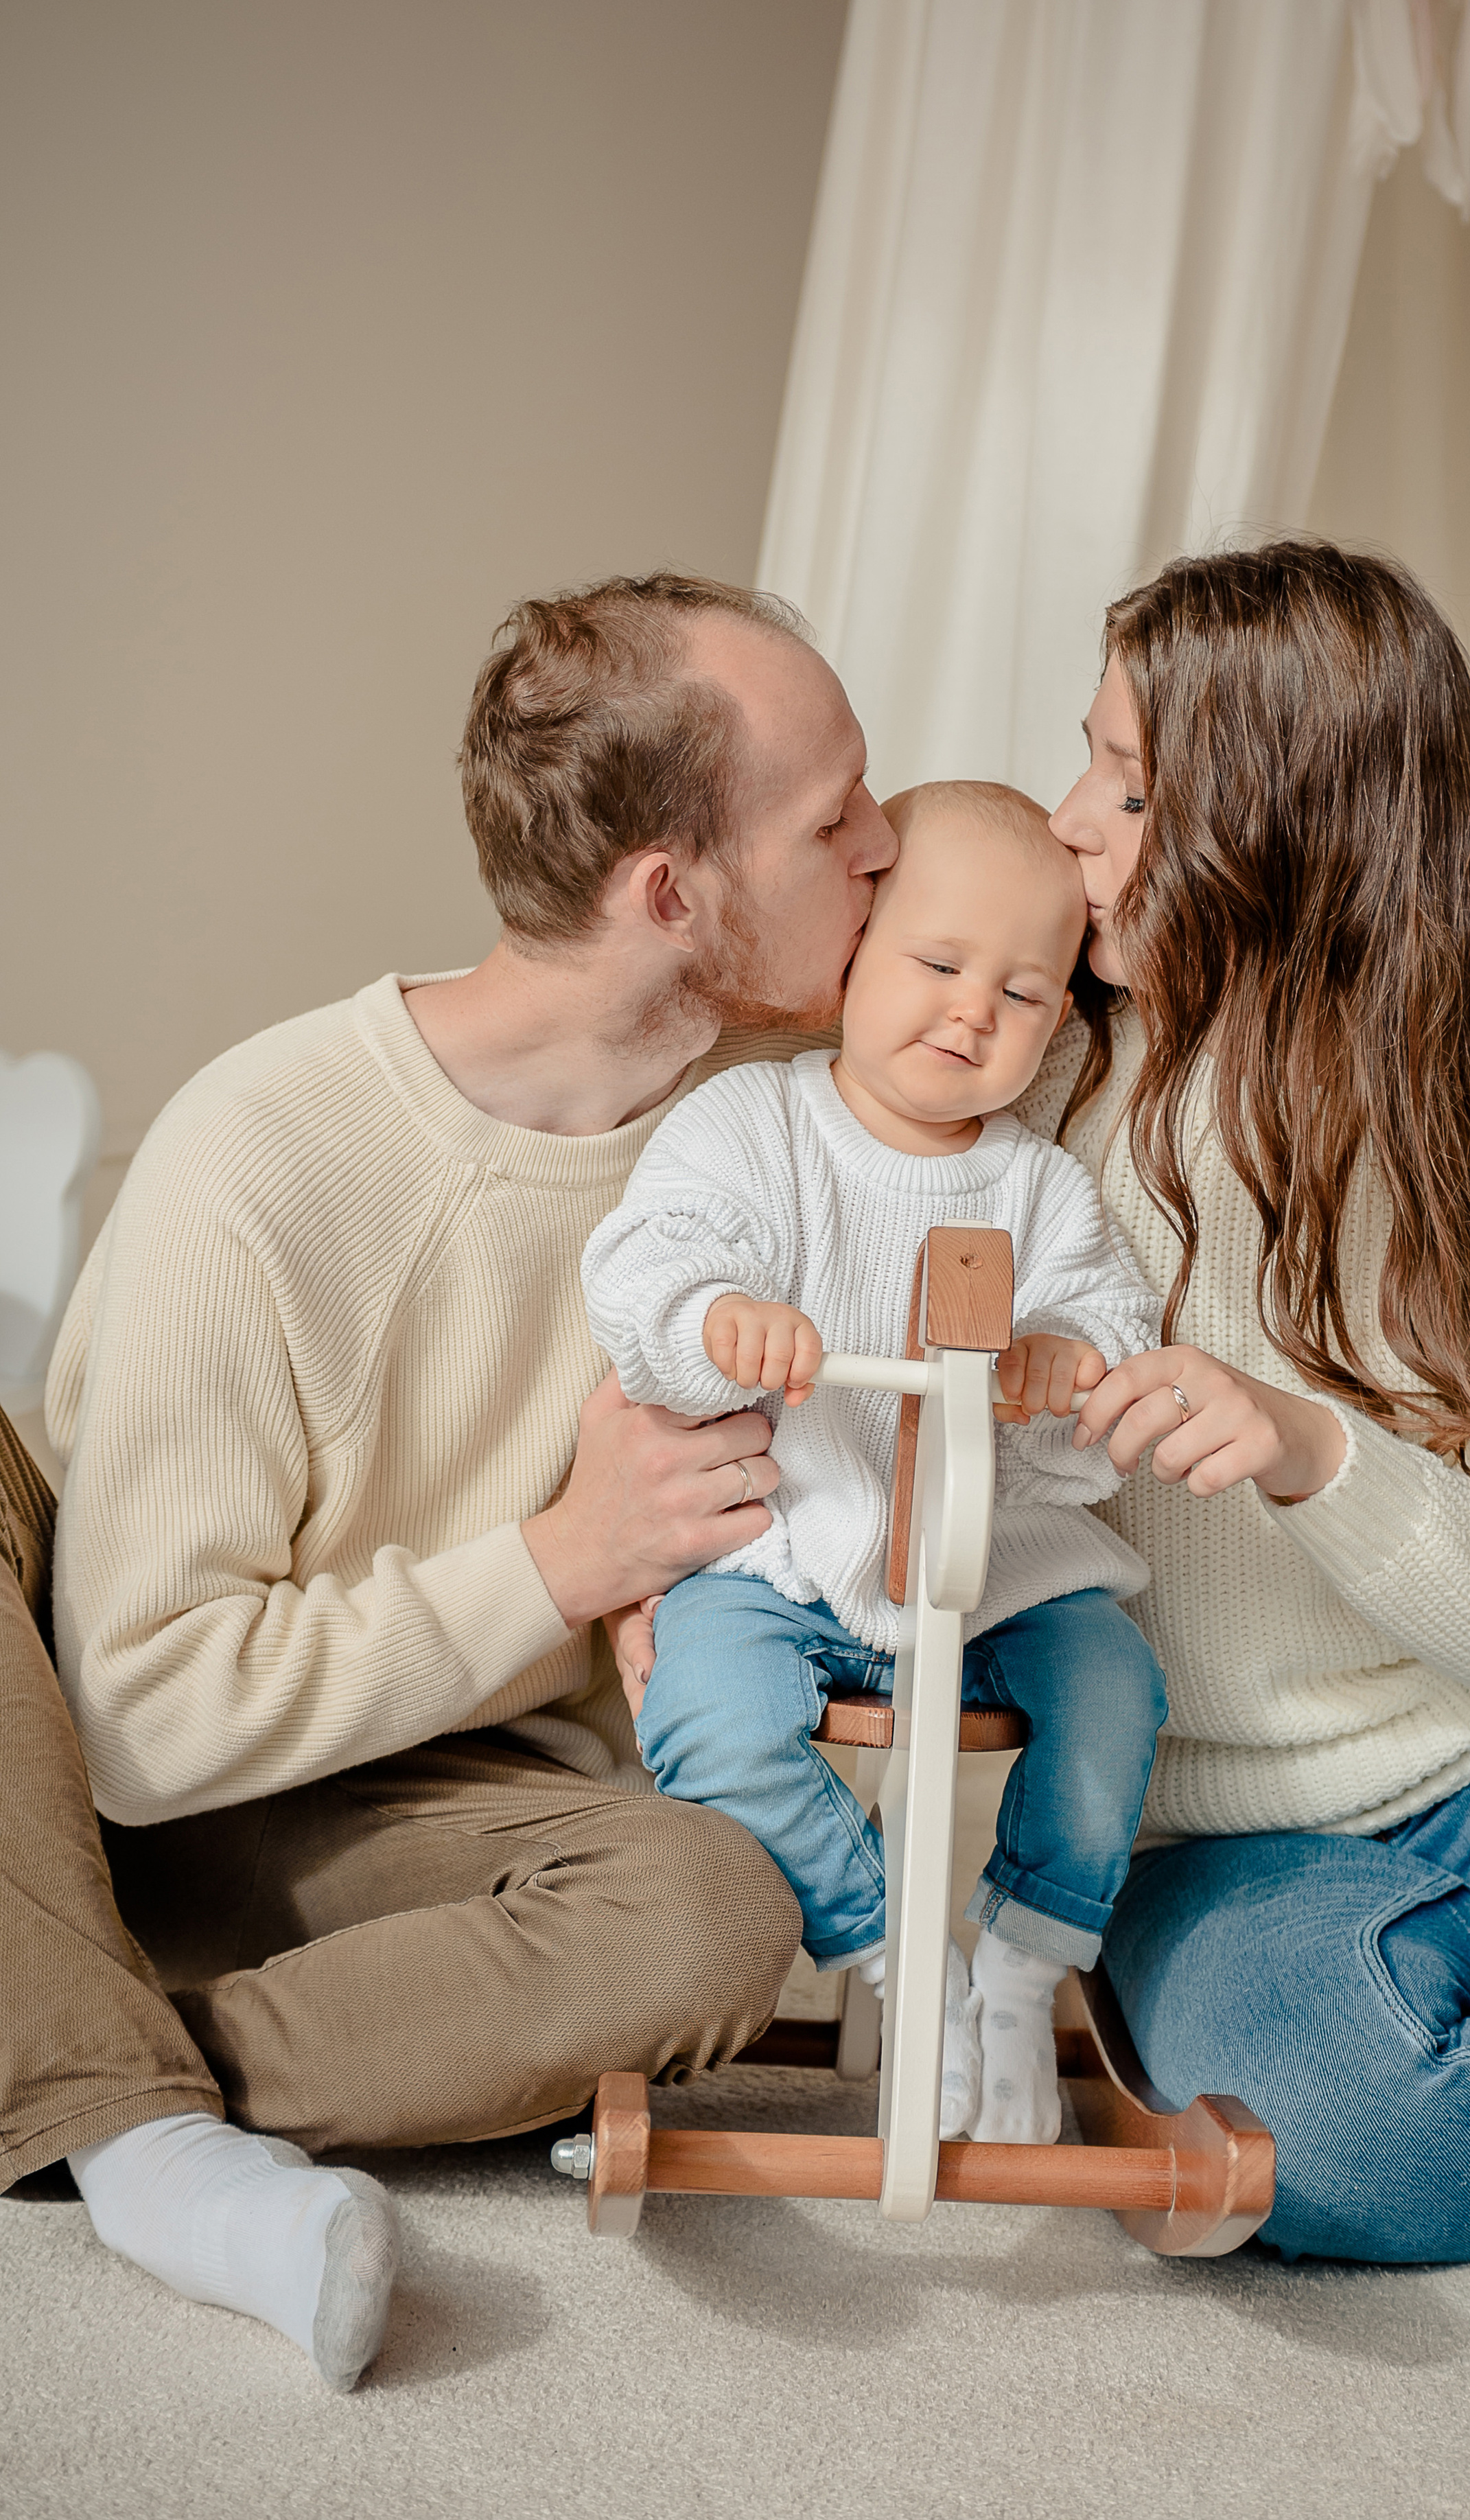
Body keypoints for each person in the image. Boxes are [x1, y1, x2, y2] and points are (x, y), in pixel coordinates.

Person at [25, 572, 898, 2382]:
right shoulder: (261, 1151)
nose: (883, 847)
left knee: (722, 1908)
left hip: (445, 1832)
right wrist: (563, 1557)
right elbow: (138, 1721)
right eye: (837, 820)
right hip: (127, 1814)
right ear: (674, 893)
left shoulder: (795, 1138)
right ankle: (109, 2099)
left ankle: (88, 2071)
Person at [1018, 538, 1470, 2263]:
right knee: (1339, 2142)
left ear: (1279, 830)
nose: (1067, 818)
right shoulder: (1032, 1074)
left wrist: (1312, 1447)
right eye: (1085, 758)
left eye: (1127, 789)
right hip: (1225, 1807)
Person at [582, 782, 1169, 2145]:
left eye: (1023, 994)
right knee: (703, 1716)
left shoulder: (1040, 1187)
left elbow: (1110, 1338)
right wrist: (717, 1319)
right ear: (852, 957)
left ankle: (1022, 1969)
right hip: (785, 1546)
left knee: (1113, 1694)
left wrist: (1057, 1364)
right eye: (938, 965)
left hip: (995, 1561)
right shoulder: (754, 1128)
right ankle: (897, 1948)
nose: (972, 1012)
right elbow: (646, 1266)